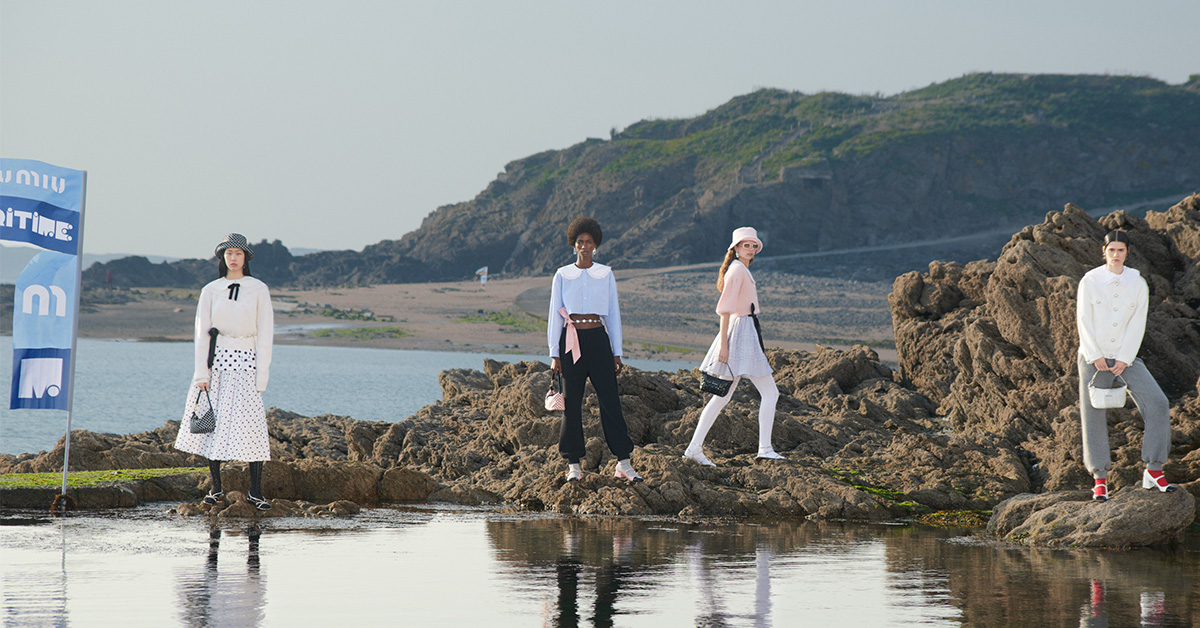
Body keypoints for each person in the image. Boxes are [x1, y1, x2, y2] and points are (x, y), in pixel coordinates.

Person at [174, 233, 275, 510]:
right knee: (213, 425)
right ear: (222, 257)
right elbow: (201, 333)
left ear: (245, 258)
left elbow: (266, 333)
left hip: (246, 362)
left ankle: (255, 492)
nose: (233, 258)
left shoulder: (259, 289)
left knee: (252, 426)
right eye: (228, 253)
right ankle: (216, 489)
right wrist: (201, 374)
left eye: (238, 253)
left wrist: (262, 374)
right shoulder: (211, 290)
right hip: (216, 362)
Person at [1077, 229, 1174, 501]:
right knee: (1093, 415)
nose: (1116, 254)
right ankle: (1099, 480)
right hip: (1093, 358)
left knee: (1158, 403)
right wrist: (1095, 355)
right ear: (1104, 251)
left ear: (1127, 252)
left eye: (1121, 250)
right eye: (1111, 250)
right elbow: (1083, 319)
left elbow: (1137, 322)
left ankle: (1154, 470)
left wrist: (1124, 358)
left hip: (1126, 358)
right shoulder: (1090, 280)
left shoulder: (1137, 283)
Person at [549, 217, 642, 483]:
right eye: (580, 242)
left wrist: (617, 351)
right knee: (571, 404)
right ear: (573, 244)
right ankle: (573, 466)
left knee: (610, 401)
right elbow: (554, 314)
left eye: (588, 242)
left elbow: (613, 314)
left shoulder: (606, 273)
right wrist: (554, 354)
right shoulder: (562, 275)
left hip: (599, 341)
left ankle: (623, 463)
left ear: (595, 244)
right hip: (570, 341)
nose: (584, 246)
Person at [682, 227, 785, 466]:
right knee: (766, 392)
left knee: (723, 397)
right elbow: (725, 310)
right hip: (740, 332)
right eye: (745, 245)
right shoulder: (737, 270)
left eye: (753, 245)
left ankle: (694, 448)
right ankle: (764, 448)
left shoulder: (740, 269)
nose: (750, 249)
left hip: (745, 330)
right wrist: (724, 346)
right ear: (736, 248)